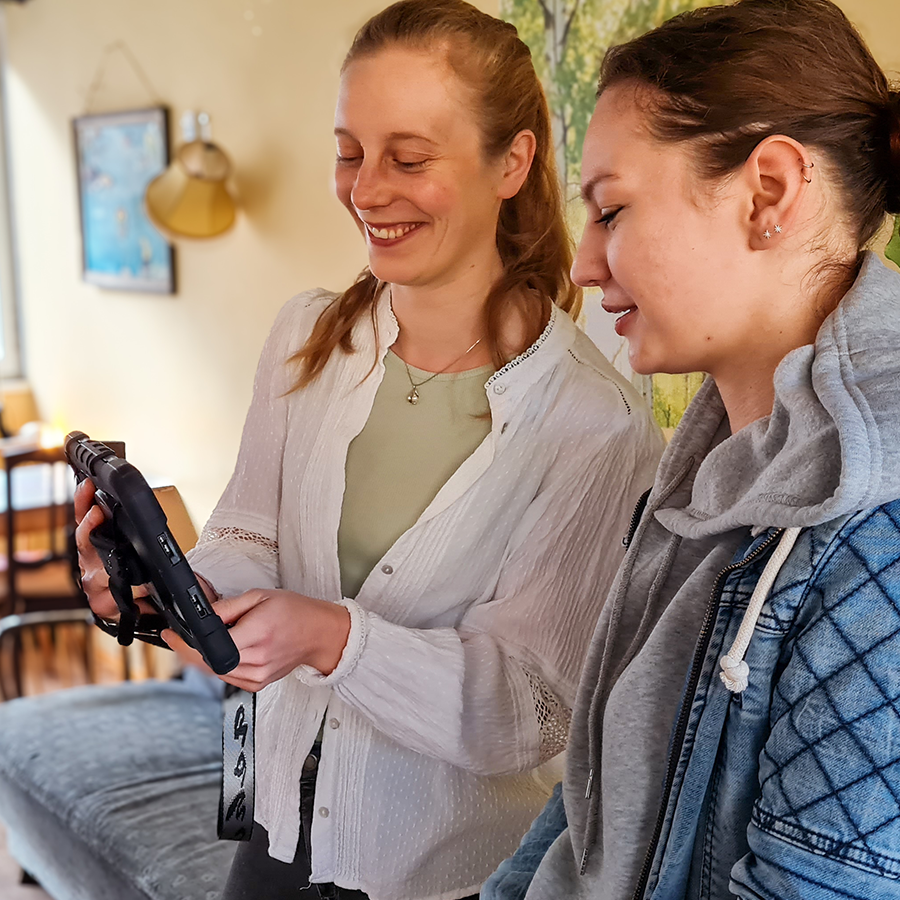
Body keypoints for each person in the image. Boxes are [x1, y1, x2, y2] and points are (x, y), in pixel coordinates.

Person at [74, 2, 663, 899]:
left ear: (513, 162)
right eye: (349, 152)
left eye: (409, 157)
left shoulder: (596, 425)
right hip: (274, 820)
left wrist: (334, 638)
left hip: (442, 871)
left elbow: (533, 707)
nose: (366, 188)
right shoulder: (309, 335)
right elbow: (250, 537)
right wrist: (167, 584)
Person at [482, 0, 900, 898]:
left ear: (769, 193)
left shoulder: (879, 535)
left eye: (613, 210)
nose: (586, 265)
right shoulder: (704, 475)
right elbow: (590, 804)